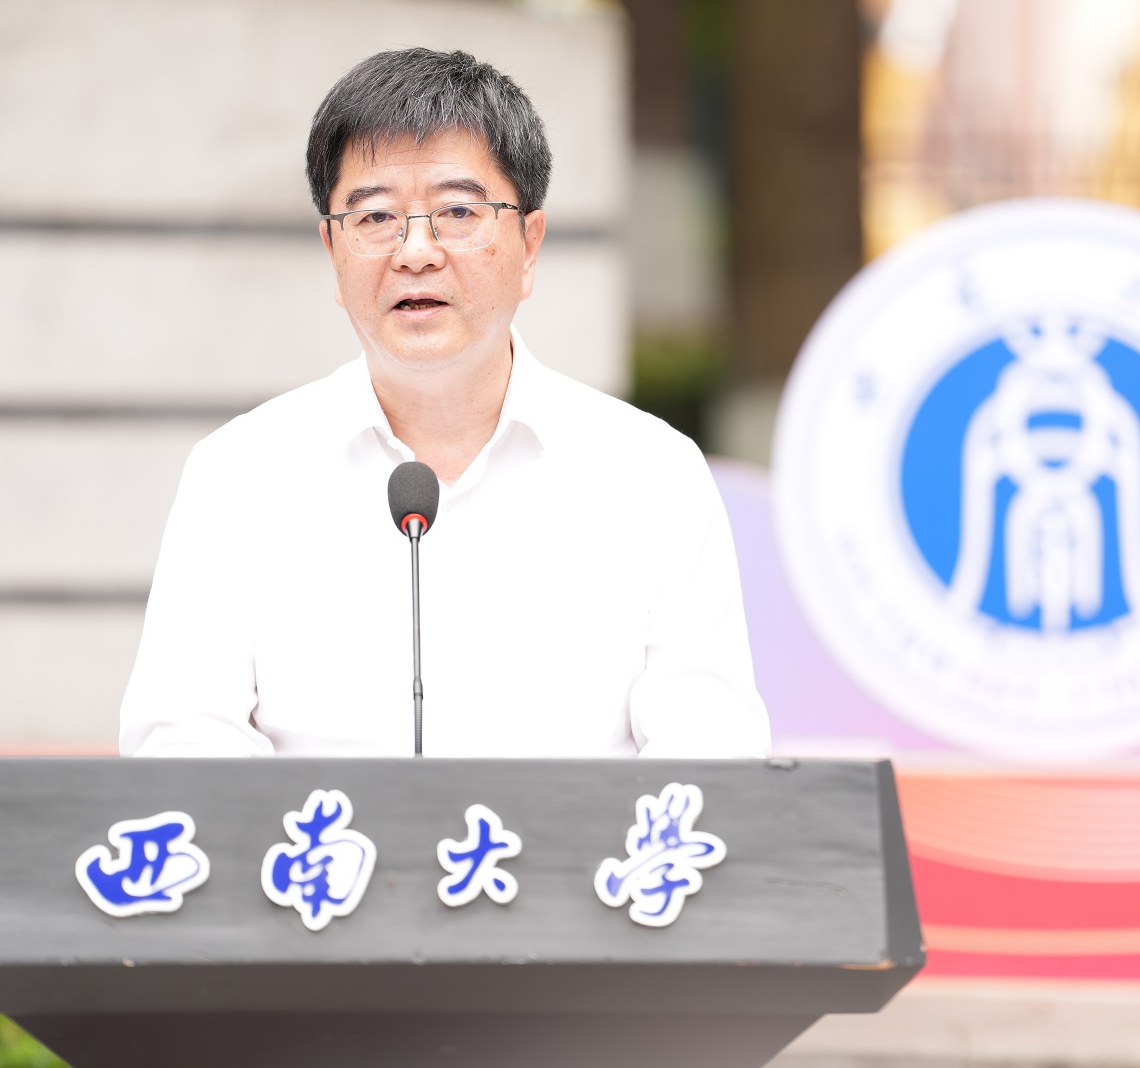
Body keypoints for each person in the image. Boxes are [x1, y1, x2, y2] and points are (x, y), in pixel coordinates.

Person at [119, 48, 771, 758]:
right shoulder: (239, 473)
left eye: (458, 211)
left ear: (529, 245)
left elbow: (711, 750)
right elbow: (181, 741)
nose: (416, 251)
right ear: (332, 251)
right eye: (375, 217)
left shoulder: (651, 472)